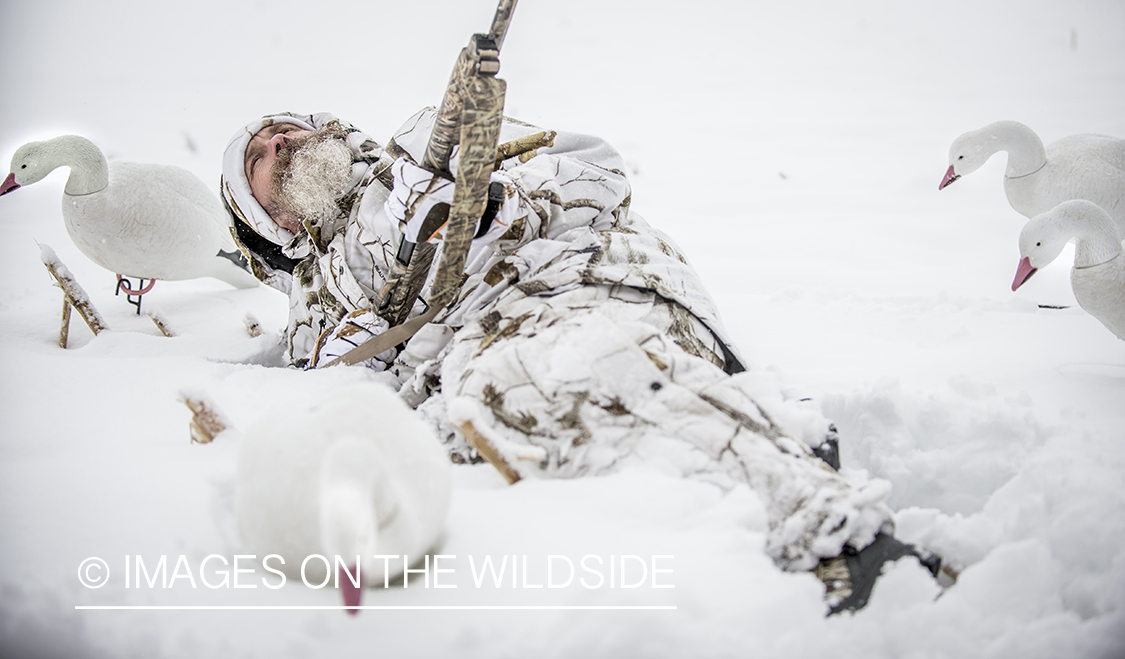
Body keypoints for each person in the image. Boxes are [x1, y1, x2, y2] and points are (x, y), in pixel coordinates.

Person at [220, 108, 941, 613]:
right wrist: (391, 301)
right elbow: (358, 386)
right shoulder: (314, 313)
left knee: (572, 367)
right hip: (479, 366)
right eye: (257, 158)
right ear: (264, 223)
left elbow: (597, 170)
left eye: (283, 128)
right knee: (523, 440)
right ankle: (749, 482)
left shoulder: (422, 142)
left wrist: (494, 203)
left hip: (578, 282)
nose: (278, 142)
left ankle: (841, 535)